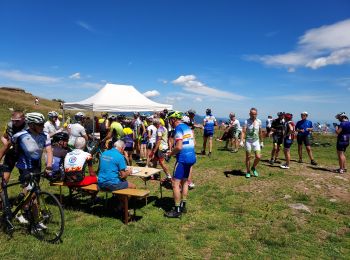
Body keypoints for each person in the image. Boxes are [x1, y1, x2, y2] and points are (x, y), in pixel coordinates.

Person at [12, 112, 53, 227]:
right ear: (31, 125)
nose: (42, 126)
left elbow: (49, 151)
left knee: (29, 191)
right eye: (40, 124)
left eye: (43, 124)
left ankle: (20, 209)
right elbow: (8, 148)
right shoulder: (20, 136)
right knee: (33, 192)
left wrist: (49, 165)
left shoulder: (45, 135)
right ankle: (37, 221)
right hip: (24, 167)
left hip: (37, 167)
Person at [165, 111, 196, 218]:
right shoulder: (187, 127)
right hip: (191, 157)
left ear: (173, 119)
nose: (169, 122)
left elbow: (178, 147)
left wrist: (170, 154)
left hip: (183, 158)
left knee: (175, 183)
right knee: (185, 181)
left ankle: (177, 210)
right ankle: (183, 205)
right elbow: (193, 143)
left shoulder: (178, 129)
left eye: (169, 120)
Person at [0, 111, 27, 183]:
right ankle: (2, 191)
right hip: (12, 151)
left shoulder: (28, 126)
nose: (15, 123)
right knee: (6, 170)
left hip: (24, 154)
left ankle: (26, 193)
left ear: (23, 119)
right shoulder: (10, 125)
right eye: (13, 120)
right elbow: (4, 136)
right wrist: (5, 142)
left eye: (17, 121)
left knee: (26, 176)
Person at [240, 108, 264, 178]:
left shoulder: (259, 121)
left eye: (255, 114)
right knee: (248, 157)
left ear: (257, 114)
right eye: (252, 114)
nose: (253, 115)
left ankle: (253, 167)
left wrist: (262, 142)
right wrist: (241, 140)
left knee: (258, 157)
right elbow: (243, 131)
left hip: (256, 141)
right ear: (249, 114)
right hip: (248, 141)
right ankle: (248, 171)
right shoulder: (246, 121)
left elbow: (260, 132)